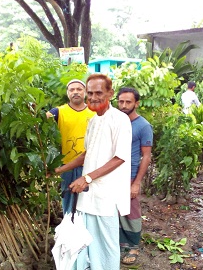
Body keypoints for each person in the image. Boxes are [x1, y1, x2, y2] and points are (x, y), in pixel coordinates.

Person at [54, 74, 132, 270]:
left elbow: (120, 157)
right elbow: (87, 155)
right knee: (84, 242)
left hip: (106, 196)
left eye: (99, 92)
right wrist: (60, 169)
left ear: (110, 93)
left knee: (107, 246)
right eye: (90, 93)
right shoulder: (93, 121)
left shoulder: (120, 120)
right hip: (87, 196)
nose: (93, 97)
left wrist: (86, 178)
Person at [117, 87, 153, 265]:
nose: (123, 105)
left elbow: (146, 156)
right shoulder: (115, 121)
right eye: (121, 101)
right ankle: (118, 244)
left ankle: (133, 246)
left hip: (130, 175)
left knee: (131, 211)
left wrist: (136, 183)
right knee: (115, 211)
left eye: (128, 102)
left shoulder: (143, 126)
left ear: (136, 103)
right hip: (112, 175)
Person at [46, 79, 95, 214]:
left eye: (79, 89)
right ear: (67, 93)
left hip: (90, 165)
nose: (75, 92)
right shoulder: (59, 112)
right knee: (68, 199)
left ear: (85, 92)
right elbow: (42, 121)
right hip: (66, 165)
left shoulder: (94, 112)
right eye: (72, 90)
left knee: (88, 201)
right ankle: (69, 226)